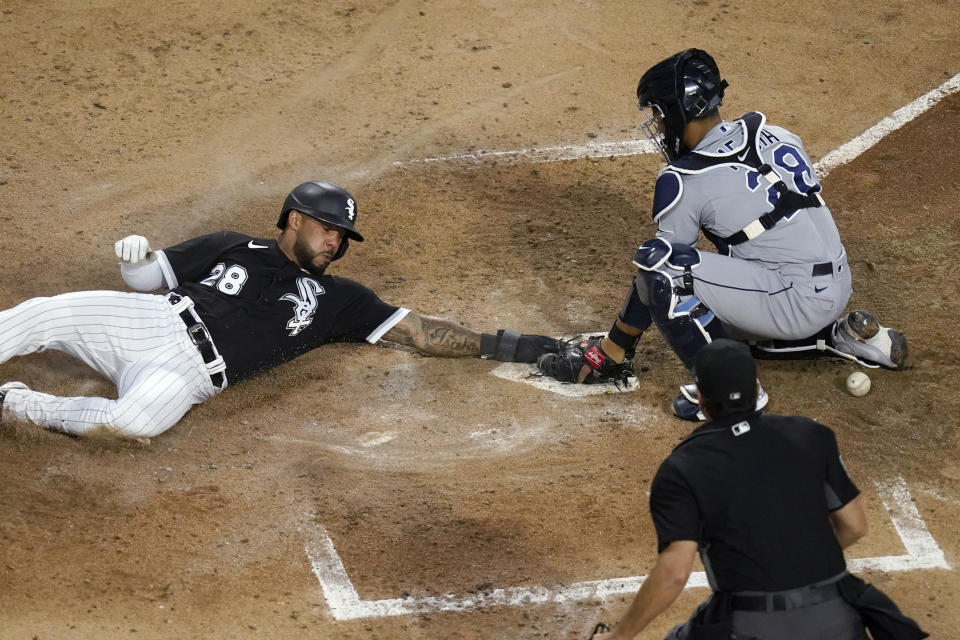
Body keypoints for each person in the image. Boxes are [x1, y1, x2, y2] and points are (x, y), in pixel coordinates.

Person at [0, 180, 561, 441]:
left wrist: (506, 344)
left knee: (132, 424)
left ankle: (16, 405)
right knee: (42, 315)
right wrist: (135, 259)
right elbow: (150, 278)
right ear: (294, 219)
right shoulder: (234, 244)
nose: (334, 243)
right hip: (152, 320)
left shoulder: (344, 301)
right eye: (327, 229)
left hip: (190, 377)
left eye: (342, 237)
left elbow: (420, 332)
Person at [537, 49, 907, 420]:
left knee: (664, 272)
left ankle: (732, 393)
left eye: (659, 116)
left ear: (677, 112)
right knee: (719, 327)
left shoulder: (684, 180)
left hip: (794, 300)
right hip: (837, 284)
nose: (660, 128)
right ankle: (843, 337)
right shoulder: (778, 135)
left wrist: (614, 345)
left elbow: (663, 266)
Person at [592, 339, 926, 640]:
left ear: (701, 402)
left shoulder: (680, 469)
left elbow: (674, 573)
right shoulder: (811, 435)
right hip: (836, 618)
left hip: (749, 625)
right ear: (756, 391)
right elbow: (855, 525)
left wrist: (619, 636)